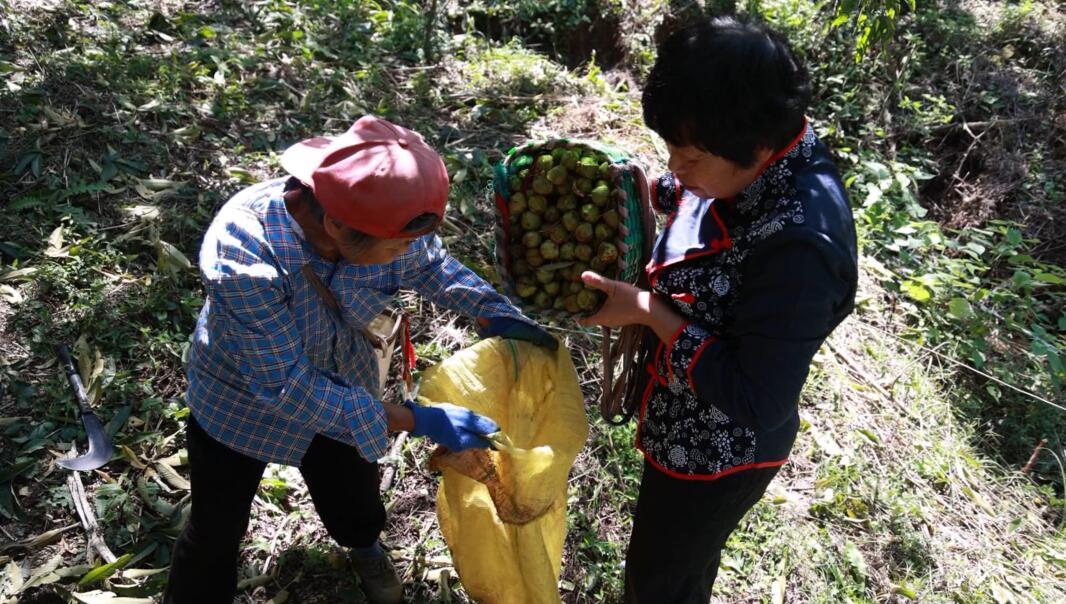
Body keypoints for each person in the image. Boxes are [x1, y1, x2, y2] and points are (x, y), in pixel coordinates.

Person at [164, 116, 556, 604]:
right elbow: (288, 386)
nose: (408, 253)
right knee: (214, 530)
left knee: (355, 500)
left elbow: (431, 267)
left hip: (343, 376)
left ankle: (364, 546)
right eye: (398, 246)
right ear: (336, 227)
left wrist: (496, 314)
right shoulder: (244, 256)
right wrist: (418, 419)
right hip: (238, 400)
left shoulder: (378, 213)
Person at [578, 16, 859, 603]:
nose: (676, 168)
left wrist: (648, 311)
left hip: (717, 449)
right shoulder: (751, 147)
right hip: (679, 413)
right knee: (668, 566)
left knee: (662, 580)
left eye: (690, 156)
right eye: (671, 150)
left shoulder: (802, 249)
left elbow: (759, 399)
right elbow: (696, 192)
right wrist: (644, 190)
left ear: (757, 148)